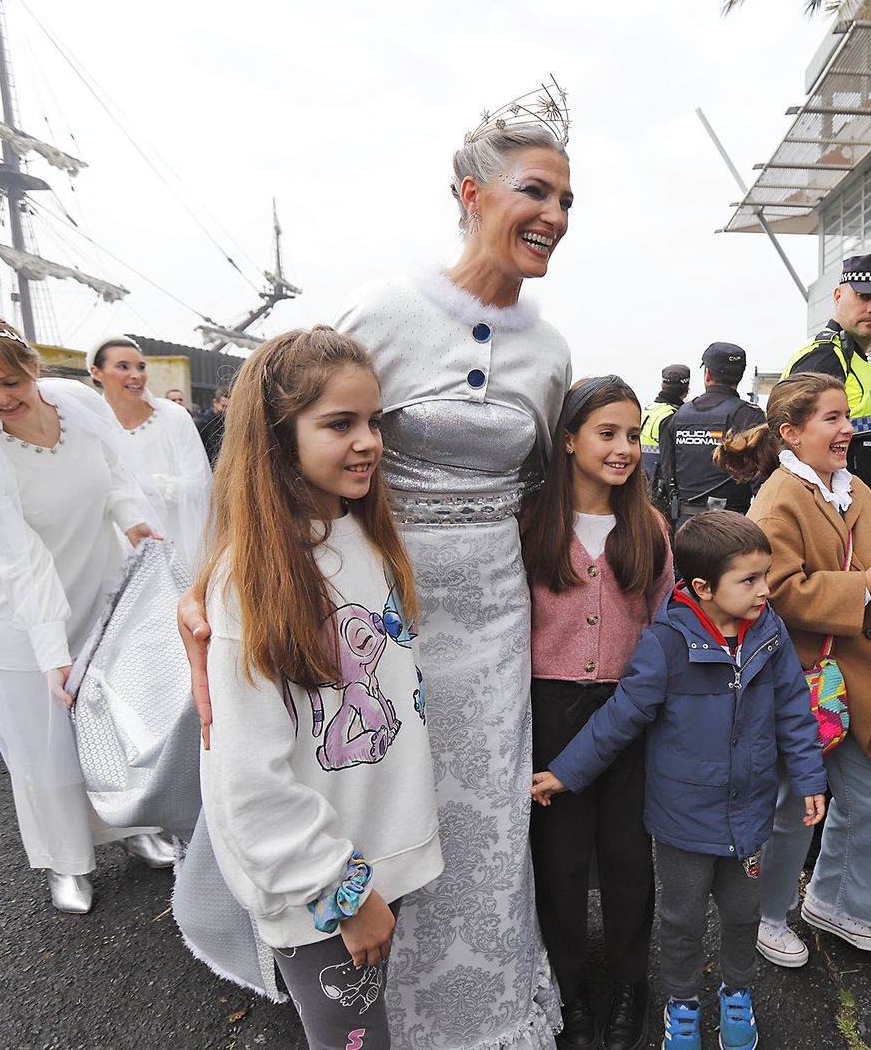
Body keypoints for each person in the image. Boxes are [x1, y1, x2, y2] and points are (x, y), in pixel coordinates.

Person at [185, 102, 574, 1046]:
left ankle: (479, 1016)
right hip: (366, 599)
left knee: (482, 824)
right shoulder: (380, 309)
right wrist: (207, 585)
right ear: (471, 193)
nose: (556, 215)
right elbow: (288, 439)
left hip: (489, 621)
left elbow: (538, 491)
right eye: (536, 191)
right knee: (364, 782)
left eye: (567, 199)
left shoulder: (552, 352)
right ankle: (356, 987)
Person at [198, 326, 441, 1050]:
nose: (368, 441)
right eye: (339, 423)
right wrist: (344, 889)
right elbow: (247, 780)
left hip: (365, 860)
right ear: (277, 436)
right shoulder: (250, 582)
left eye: (373, 421)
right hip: (322, 886)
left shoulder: (366, 539)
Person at [530, 510, 827, 1050]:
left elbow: (794, 709)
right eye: (750, 580)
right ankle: (683, 1002)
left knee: (742, 915)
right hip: (682, 821)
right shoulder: (666, 644)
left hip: (750, 813)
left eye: (765, 576)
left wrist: (810, 778)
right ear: (702, 588)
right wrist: (566, 774)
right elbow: (620, 716)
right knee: (682, 920)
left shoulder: (770, 633)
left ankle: (737, 993)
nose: (765, 590)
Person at [0, 313, 171, 914]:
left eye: (11, 381)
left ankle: (131, 824)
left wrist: (134, 518)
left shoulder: (74, 404)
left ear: (33, 368)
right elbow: (16, 551)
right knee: (46, 740)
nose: (0, 399)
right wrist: (50, 649)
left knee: (114, 719)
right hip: (18, 604)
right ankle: (66, 858)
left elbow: (113, 473)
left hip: (97, 582)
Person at [712, 372, 871, 970]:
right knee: (795, 801)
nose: (847, 428)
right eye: (831, 418)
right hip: (801, 679)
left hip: (858, 675)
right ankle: (769, 915)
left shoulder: (859, 493)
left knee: (869, 793)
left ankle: (836, 901)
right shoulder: (779, 497)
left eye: (846, 415)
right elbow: (769, 587)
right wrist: (864, 586)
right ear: (791, 434)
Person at [521, 376, 670, 1050]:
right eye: (607, 432)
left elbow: (664, 626)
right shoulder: (530, 522)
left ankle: (632, 981)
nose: (624, 448)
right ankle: (569, 983)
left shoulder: (649, 526)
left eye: (634, 435)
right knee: (558, 855)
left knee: (627, 856)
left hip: (630, 707)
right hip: (548, 707)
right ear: (570, 437)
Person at [87, 338, 213, 571]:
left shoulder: (174, 417)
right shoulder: (91, 427)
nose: (136, 375)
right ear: (97, 373)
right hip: (118, 553)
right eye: (123, 367)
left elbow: (198, 485)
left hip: (181, 545)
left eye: (141, 367)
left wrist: (147, 486)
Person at [654, 343, 765, 528]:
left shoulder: (678, 416)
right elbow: (762, 481)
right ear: (740, 375)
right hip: (732, 526)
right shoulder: (751, 416)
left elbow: (668, 474)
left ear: (707, 374)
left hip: (687, 526)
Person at [783, 254, 871, 433]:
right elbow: (794, 437)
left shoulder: (852, 356)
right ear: (838, 297)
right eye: (863, 296)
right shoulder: (825, 356)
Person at [640, 363, 691, 480]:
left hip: (640, 481)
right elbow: (670, 461)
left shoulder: (647, 410)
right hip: (660, 486)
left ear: (662, 385)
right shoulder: (674, 416)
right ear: (687, 390)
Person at [197, 385, 231, 466]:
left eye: (229, 407)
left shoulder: (230, 421)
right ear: (215, 403)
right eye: (224, 406)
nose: (226, 410)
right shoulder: (203, 422)